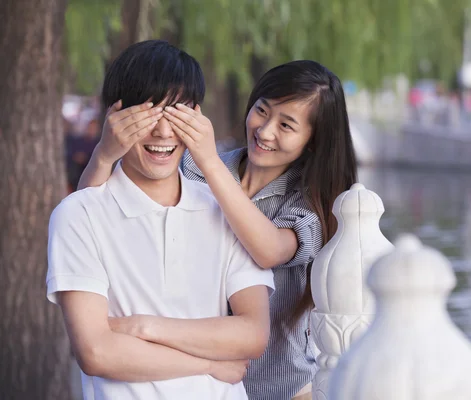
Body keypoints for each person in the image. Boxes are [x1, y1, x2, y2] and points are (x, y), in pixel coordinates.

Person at [79, 59, 358, 399]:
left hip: (275, 388)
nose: (265, 131)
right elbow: (87, 215)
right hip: (189, 379)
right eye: (262, 111)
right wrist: (105, 156)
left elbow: (268, 250)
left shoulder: (309, 206)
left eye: (286, 125)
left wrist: (210, 162)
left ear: (313, 140)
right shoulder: (192, 168)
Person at [47, 40, 275, 400]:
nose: (164, 133)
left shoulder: (227, 211)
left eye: (175, 114)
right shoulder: (78, 215)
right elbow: (96, 352)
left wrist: (143, 327)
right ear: (115, 117)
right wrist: (210, 364)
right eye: (148, 114)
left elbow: (253, 334)